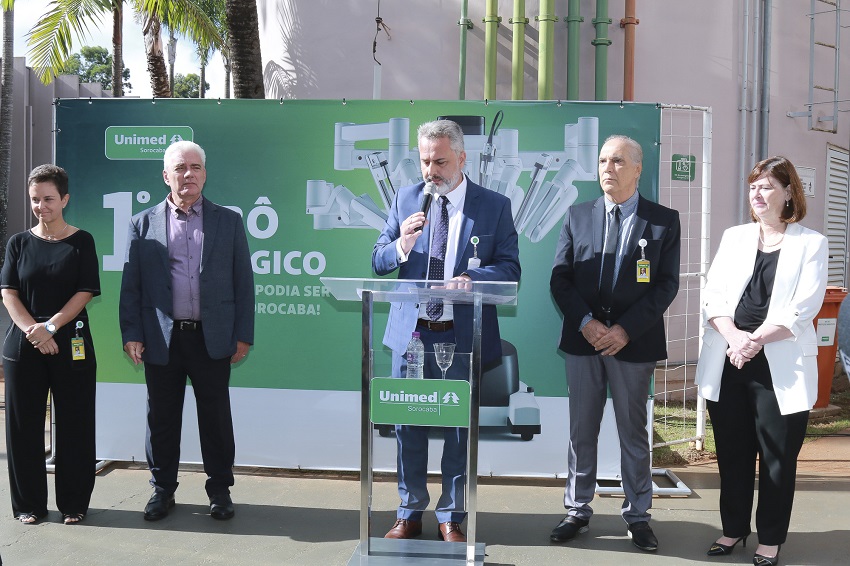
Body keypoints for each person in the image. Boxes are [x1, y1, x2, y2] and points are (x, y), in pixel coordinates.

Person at [373, 119, 520, 543]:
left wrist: (473, 279)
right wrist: (401, 244)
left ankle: (451, 515)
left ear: (461, 158)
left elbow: (510, 267)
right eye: (425, 161)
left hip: (461, 335)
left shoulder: (493, 205)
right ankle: (409, 511)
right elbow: (378, 260)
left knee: (458, 429)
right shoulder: (405, 199)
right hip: (411, 335)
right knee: (408, 425)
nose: (431, 170)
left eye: (440, 161)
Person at [549, 135, 681, 552]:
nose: (608, 168)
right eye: (603, 160)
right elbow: (560, 278)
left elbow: (666, 285)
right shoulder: (577, 215)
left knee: (633, 431)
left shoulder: (663, 221)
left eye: (618, 161)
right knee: (581, 430)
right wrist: (585, 322)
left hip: (633, 344)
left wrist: (625, 329)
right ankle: (577, 509)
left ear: (637, 169)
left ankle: (638, 515)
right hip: (583, 341)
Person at [695, 156, 827, 566]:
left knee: (777, 460)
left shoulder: (811, 243)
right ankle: (733, 529)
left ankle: (770, 539)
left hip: (780, 365)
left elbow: (804, 306)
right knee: (732, 454)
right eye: (753, 186)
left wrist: (753, 341)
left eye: (767, 186)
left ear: (788, 193)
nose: (757, 193)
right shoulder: (734, 237)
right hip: (729, 359)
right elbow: (713, 295)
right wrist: (735, 338)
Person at [119, 141, 254, 522]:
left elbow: (243, 282)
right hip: (161, 338)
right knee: (162, 418)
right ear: (166, 176)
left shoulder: (228, 221)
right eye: (180, 168)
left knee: (216, 418)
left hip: (213, 337)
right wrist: (132, 333)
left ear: (205, 174)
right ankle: (162, 490)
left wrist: (243, 334)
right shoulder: (142, 223)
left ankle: (220, 491)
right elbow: (131, 286)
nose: (188, 174)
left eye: (195, 167)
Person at [1, 164, 100, 525]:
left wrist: (51, 327)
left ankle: (73, 504)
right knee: (23, 428)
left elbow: (85, 291)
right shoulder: (18, 243)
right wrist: (34, 331)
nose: (41, 206)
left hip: (70, 343)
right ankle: (28, 505)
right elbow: (8, 292)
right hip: (24, 344)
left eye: (48, 199)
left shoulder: (82, 241)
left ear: (65, 199)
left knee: (75, 424)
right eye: (35, 199)